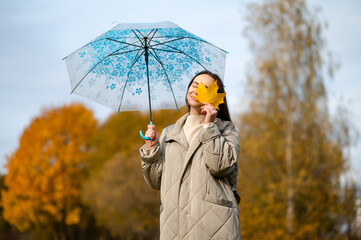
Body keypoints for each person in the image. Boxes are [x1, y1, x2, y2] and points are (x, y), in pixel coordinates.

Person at [139, 70, 241, 239]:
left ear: (215, 97)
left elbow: (220, 166)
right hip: (174, 228)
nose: (195, 90)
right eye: (194, 85)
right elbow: (155, 181)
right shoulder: (168, 133)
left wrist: (209, 127)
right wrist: (152, 149)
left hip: (215, 227)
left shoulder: (226, 130)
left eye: (204, 87)